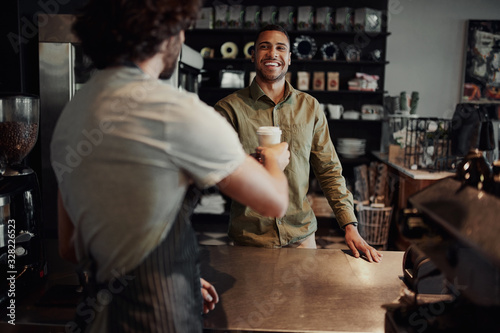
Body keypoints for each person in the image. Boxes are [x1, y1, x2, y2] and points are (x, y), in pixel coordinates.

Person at [50, 2, 290, 332]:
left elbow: (70, 245)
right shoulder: (175, 111)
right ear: (165, 33)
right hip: (159, 319)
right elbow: (275, 202)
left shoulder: (72, 113)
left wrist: (177, 275)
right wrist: (275, 160)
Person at [214, 24, 382, 263]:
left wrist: (350, 225)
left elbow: (329, 170)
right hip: (249, 239)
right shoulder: (228, 108)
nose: (272, 53)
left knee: (301, 301)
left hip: (301, 237)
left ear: (289, 58)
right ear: (253, 55)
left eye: (280, 48)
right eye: (264, 47)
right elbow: (218, 172)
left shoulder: (310, 107)